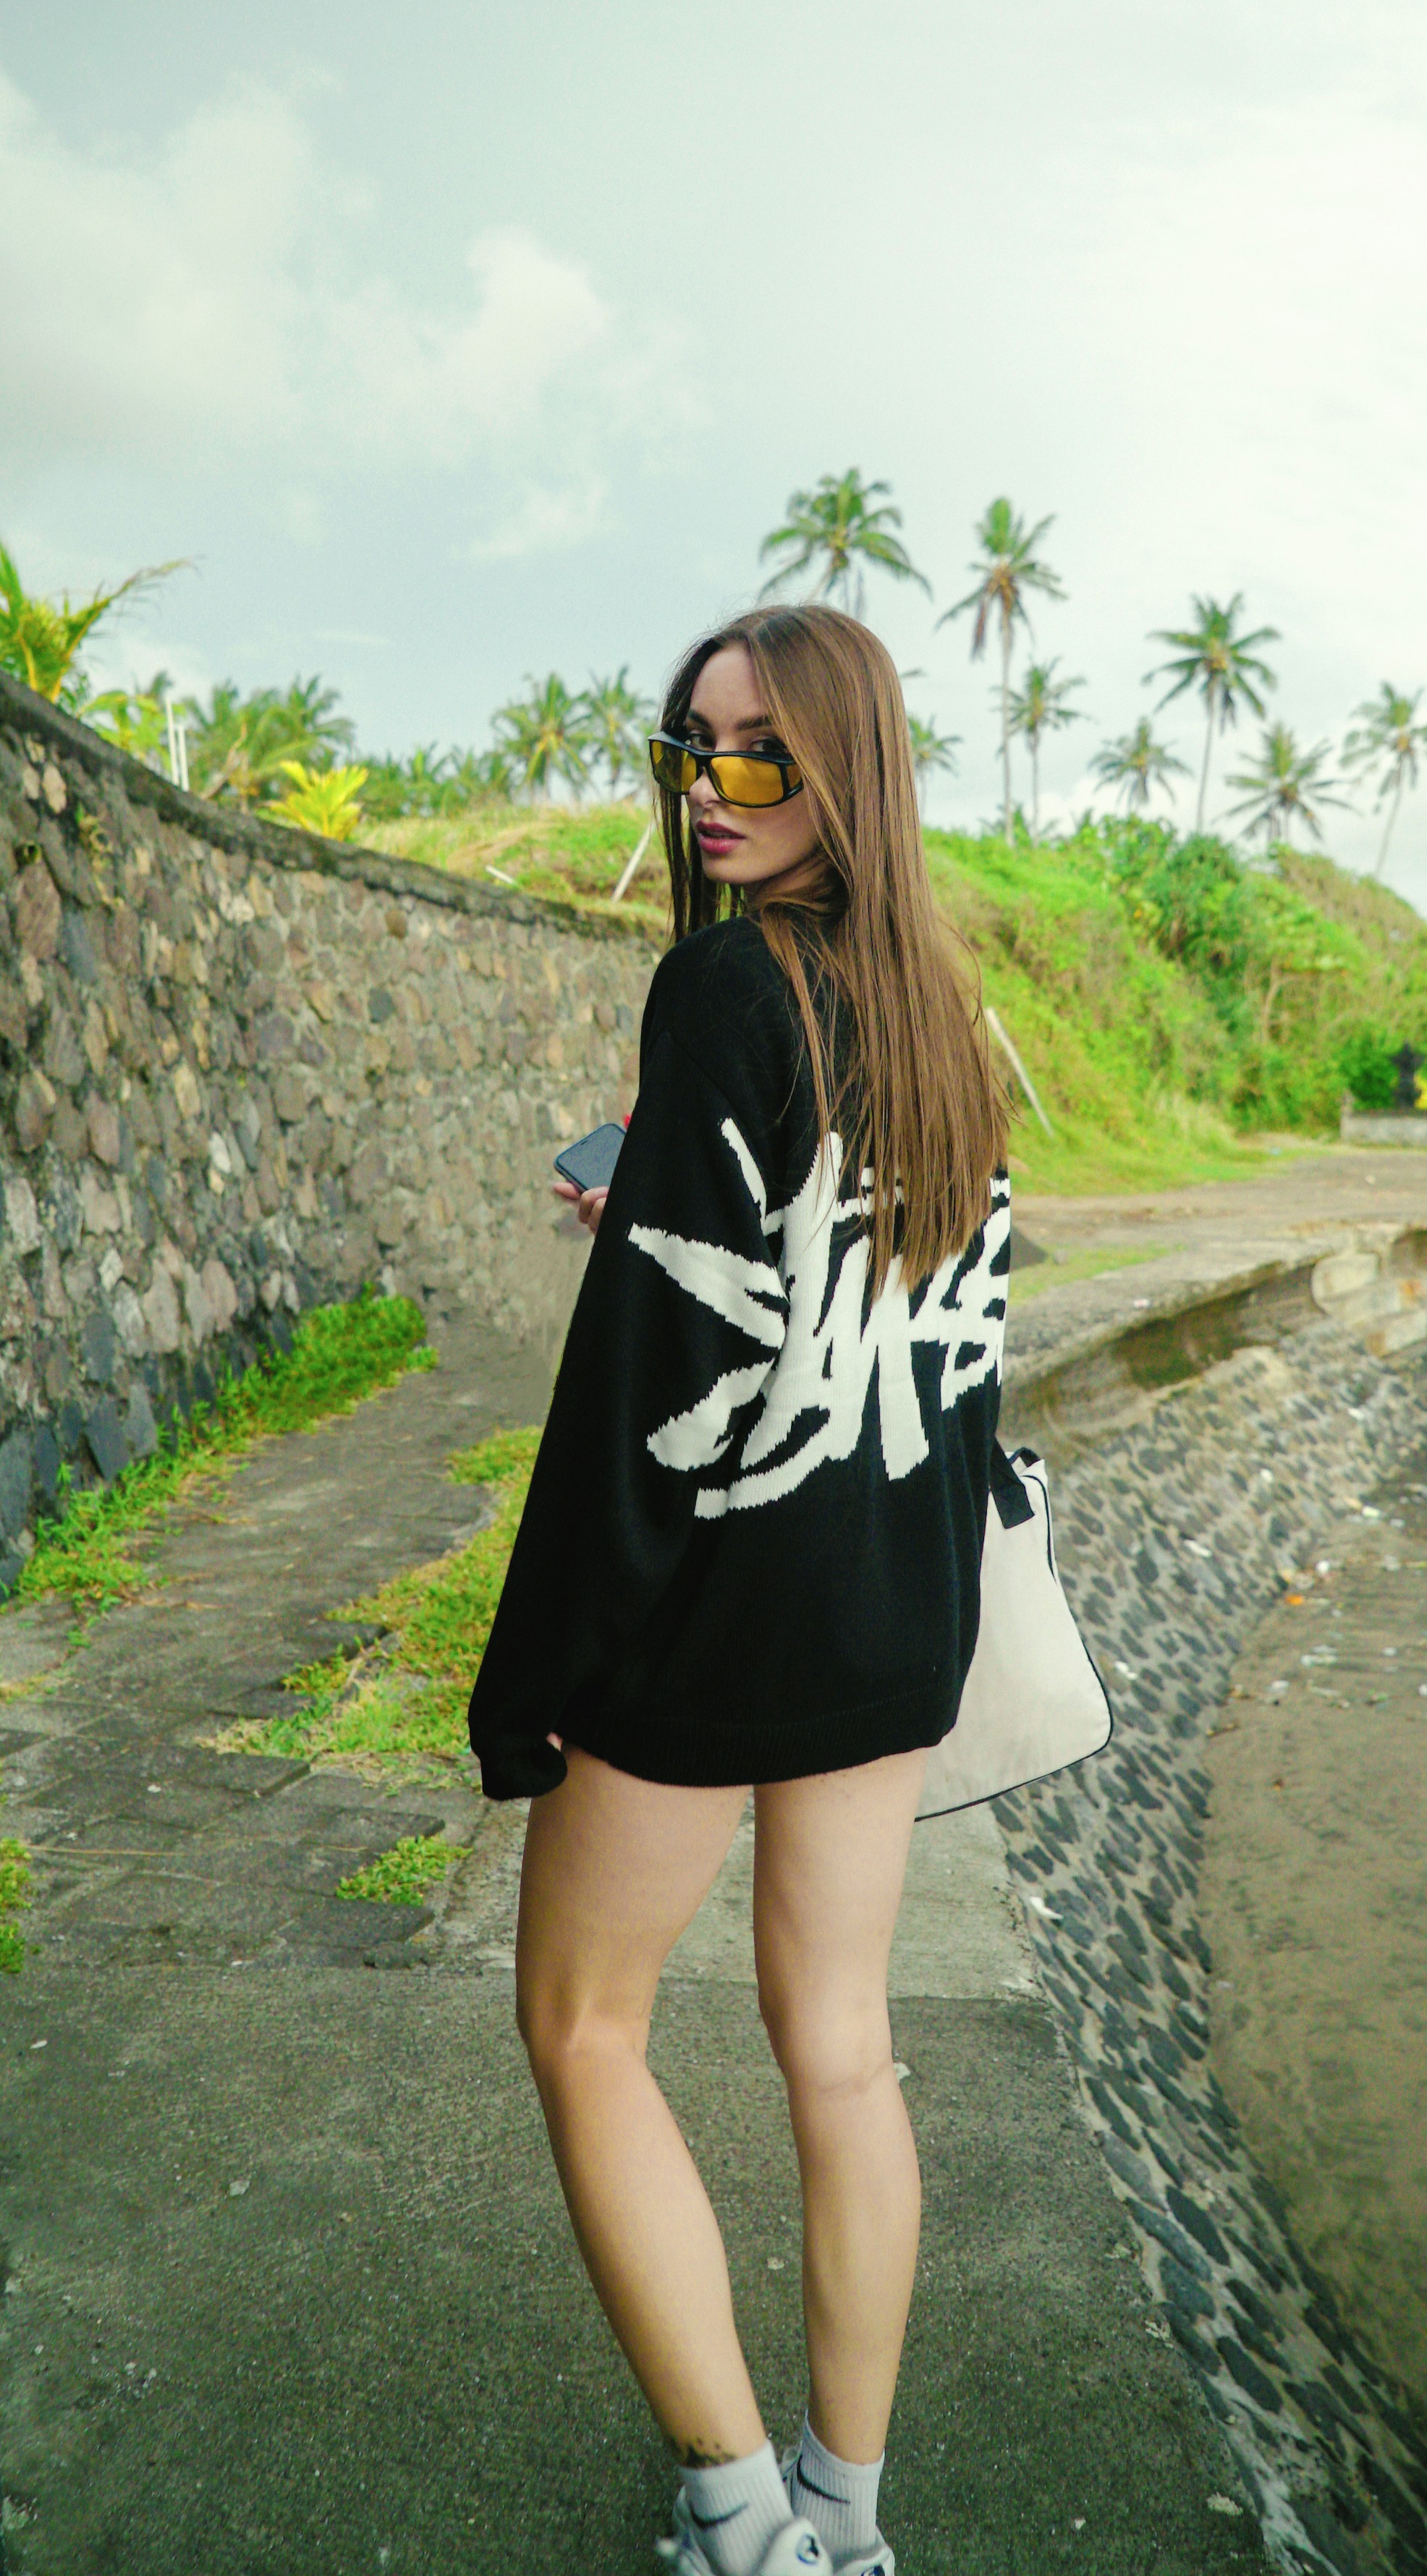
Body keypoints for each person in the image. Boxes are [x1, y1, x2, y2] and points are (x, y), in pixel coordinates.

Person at [469, 602, 1013, 2576]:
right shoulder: (951, 1020)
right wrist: (653, 1208)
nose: (715, 786)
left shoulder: (721, 988)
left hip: (719, 1619)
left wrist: (535, 1669)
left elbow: (648, 1389)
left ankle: (736, 2517)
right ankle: (845, 2522)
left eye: (762, 751)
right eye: (691, 746)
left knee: (584, 2025)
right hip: (889, 1615)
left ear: (846, 767)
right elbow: (922, 1329)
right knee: (844, 2047)